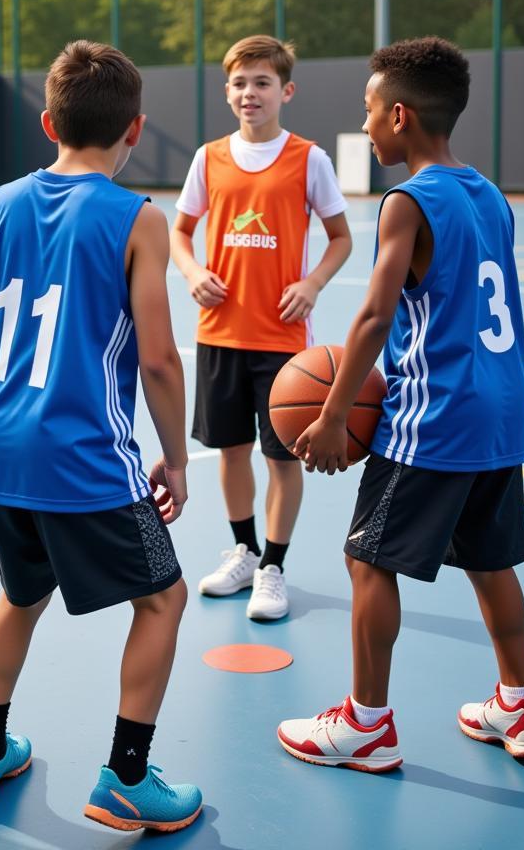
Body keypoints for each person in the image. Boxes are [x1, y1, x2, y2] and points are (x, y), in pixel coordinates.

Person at [0, 40, 203, 833]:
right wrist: (175, 457)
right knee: (163, 600)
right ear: (135, 130)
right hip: (79, 454)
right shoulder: (138, 218)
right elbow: (160, 361)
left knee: (20, 593)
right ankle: (127, 777)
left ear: (48, 122)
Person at [278, 36, 524, 771]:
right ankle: (519, 705)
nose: (364, 125)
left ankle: (365, 725)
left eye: (368, 111)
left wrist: (334, 414)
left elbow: (372, 317)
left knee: (367, 558)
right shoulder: (489, 193)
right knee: (492, 562)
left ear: (399, 116)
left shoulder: (407, 201)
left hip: (434, 414)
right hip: (502, 410)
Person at [170, 35, 351, 620]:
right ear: (227, 92)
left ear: (286, 91)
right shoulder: (208, 158)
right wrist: (193, 269)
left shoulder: (309, 158)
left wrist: (313, 283)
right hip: (219, 331)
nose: (251, 93)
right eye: (240, 83)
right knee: (230, 452)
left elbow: (342, 237)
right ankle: (244, 551)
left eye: (262, 82)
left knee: (281, 459)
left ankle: (274, 565)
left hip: (281, 339)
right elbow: (179, 232)